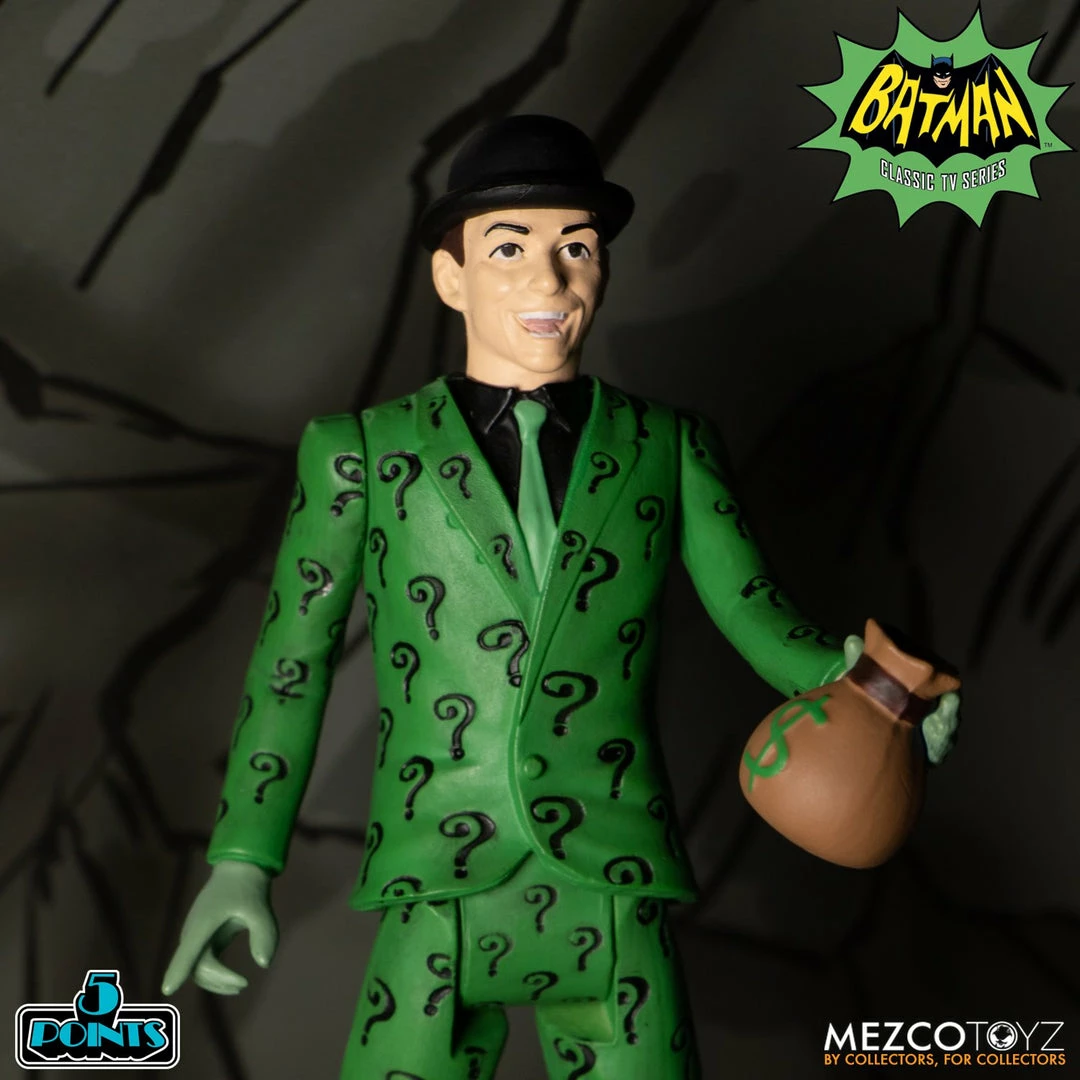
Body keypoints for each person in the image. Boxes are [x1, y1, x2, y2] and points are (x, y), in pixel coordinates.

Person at [162, 115, 959, 1079]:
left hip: (614, 872)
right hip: (436, 877)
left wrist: (875, 690)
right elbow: (291, 663)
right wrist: (243, 857)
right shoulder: (362, 453)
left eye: (576, 248)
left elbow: (754, 612)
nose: (549, 281)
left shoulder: (668, 446)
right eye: (509, 249)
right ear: (450, 277)